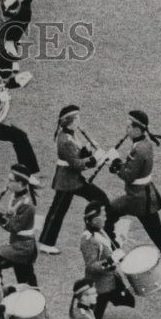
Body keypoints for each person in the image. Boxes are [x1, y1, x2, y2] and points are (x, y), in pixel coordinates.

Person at [104, 111, 161, 289]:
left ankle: (116, 250)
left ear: (138, 129)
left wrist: (115, 161)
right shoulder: (144, 144)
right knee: (158, 234)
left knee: (106, 213)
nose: (126, 128)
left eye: (129, 126)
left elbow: (128, 175)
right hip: (145, 195)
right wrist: (115, 164)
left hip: (137, 198)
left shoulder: (139, 149)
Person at [37, 105, 110, 254]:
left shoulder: (71, 135)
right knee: (57, 212)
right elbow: (76, 164)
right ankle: (46, 243)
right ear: (71, 121)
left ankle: (102, 230)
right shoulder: (66, 140)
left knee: (99, 198)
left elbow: (77, 155)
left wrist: (88, 149)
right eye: (77, 118)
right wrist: (95, 158)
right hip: (67, 181)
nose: (79, 121)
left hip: (73, 179)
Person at [80, 201, 134, 319]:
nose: (106, 218)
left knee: (128, 303)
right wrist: (111, 260)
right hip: (100, 286)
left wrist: (119, 241)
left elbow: (107, 248)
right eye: (103, 215)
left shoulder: (99, 231)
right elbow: (91, 265)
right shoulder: (88, 240)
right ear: (94, 220)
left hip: (112, 280)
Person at [0, 163, 40, 286]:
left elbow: (14, 226)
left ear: (21, 183)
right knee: (26, 283)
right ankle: (36, 304)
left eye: (11, 181)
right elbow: (10, 217)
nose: (8, 183)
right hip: (18, 245)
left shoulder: (27, 204)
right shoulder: (16, 196)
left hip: (23, 248)